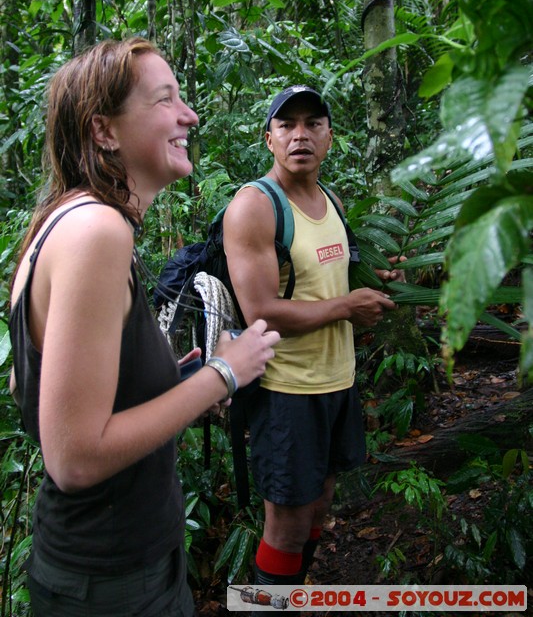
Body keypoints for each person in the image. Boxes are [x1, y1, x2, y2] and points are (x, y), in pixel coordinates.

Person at [8, 37, 279, 617]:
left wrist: (178, 380)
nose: (190, 114)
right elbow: (74, 457)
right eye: (165, 100)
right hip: (112, 581)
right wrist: (225, 375)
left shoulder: (63, 223)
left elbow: (37, 392)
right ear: (104, 130)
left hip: (113, 568)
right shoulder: (96, 232)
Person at [223, 85, 402, 591]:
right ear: (269, 139)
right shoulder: (255, 207)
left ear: (329, 137)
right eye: (287, 125)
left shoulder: (332, 200)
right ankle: (268, 603)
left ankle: (291, 596)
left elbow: (329, 280)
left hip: (336, 381)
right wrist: (347, 305)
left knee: (320, 504)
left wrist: (374, 284)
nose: (300, 134)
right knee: (287, 524)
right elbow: (261, 310)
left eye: (312, 124)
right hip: (287, 390)